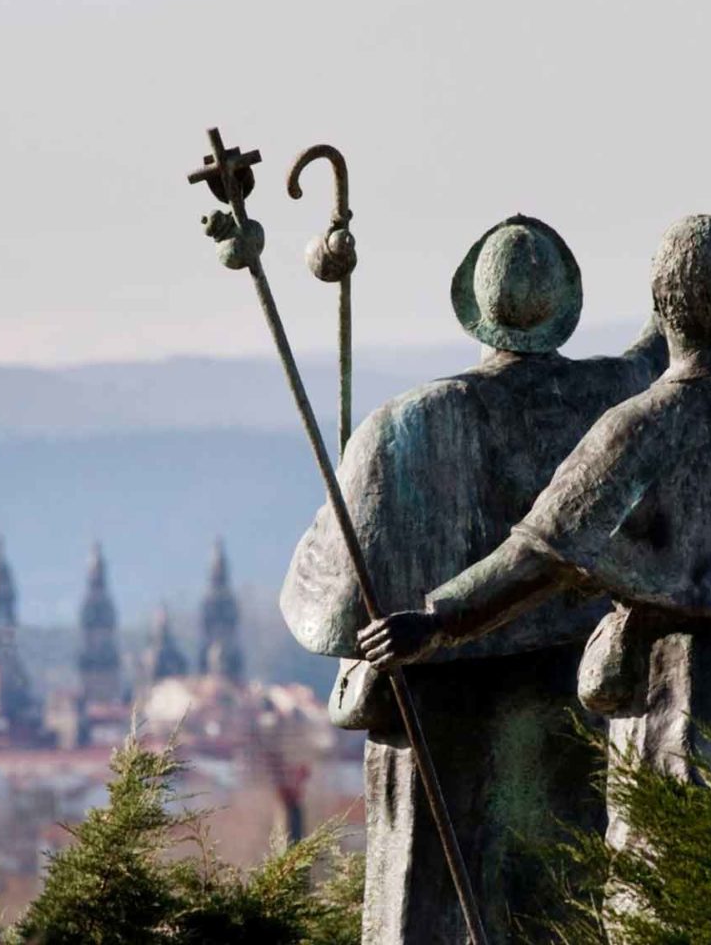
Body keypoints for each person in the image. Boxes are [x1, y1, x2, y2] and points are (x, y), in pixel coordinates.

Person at [358, 138, 711, 855]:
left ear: (658, 304)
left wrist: (435, 620)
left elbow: (534, 555)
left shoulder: (636, 429)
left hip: (684, 684)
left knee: (675, 877)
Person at [280, 215, 666, 944]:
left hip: (441, 721)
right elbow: (659, 348)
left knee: (428, 911)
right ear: (562, 304)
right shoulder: (612, 402)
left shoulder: (411, 423)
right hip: (566, 704)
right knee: (561, 904)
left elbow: (330, 611)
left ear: (476, 310)